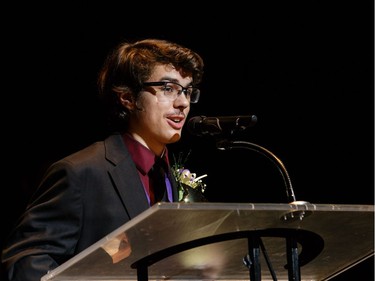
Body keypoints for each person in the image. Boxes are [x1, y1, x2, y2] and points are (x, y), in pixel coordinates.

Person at [1, 38, 204, 281]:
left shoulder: (171, 176)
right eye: (168, 88)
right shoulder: (80, 172)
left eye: (187, 90)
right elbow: (25, 260)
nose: (182, 102)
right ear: (128, 98)